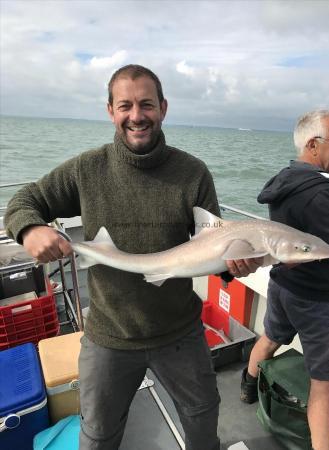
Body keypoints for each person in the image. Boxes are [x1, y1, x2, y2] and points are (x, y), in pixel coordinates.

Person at [5, 64, 261, 450]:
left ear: (163, 108)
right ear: (110, 110)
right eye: (125, 105)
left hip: (180, 331)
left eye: (147, 104)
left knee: (204, 421)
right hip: (110, 334)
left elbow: (214, 245)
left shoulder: (193, 173)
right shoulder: (86, 170)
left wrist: (234, 264)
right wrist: (29, 229)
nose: (137, 116)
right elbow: (23, 201)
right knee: (98, 434)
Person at [240, 110, 329, 450]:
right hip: (316, 298)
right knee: (325, 382)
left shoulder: (285, 179)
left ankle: (248, 387)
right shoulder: (322, 195)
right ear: (314, 144)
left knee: (270, 338)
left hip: (282, 285)